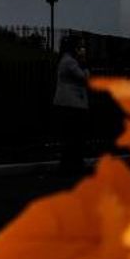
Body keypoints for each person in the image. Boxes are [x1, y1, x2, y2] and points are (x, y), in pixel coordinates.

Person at [53, 38, 90, 174]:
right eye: (78, 47)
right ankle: (72, 166)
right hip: (72, 105)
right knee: (75, 137)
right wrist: (84, 65)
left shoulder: (66, 60)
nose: (80, 50)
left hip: (68, 104)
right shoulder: (70, 62)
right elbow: (84, 78)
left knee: (70, 137)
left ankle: (69, 165)